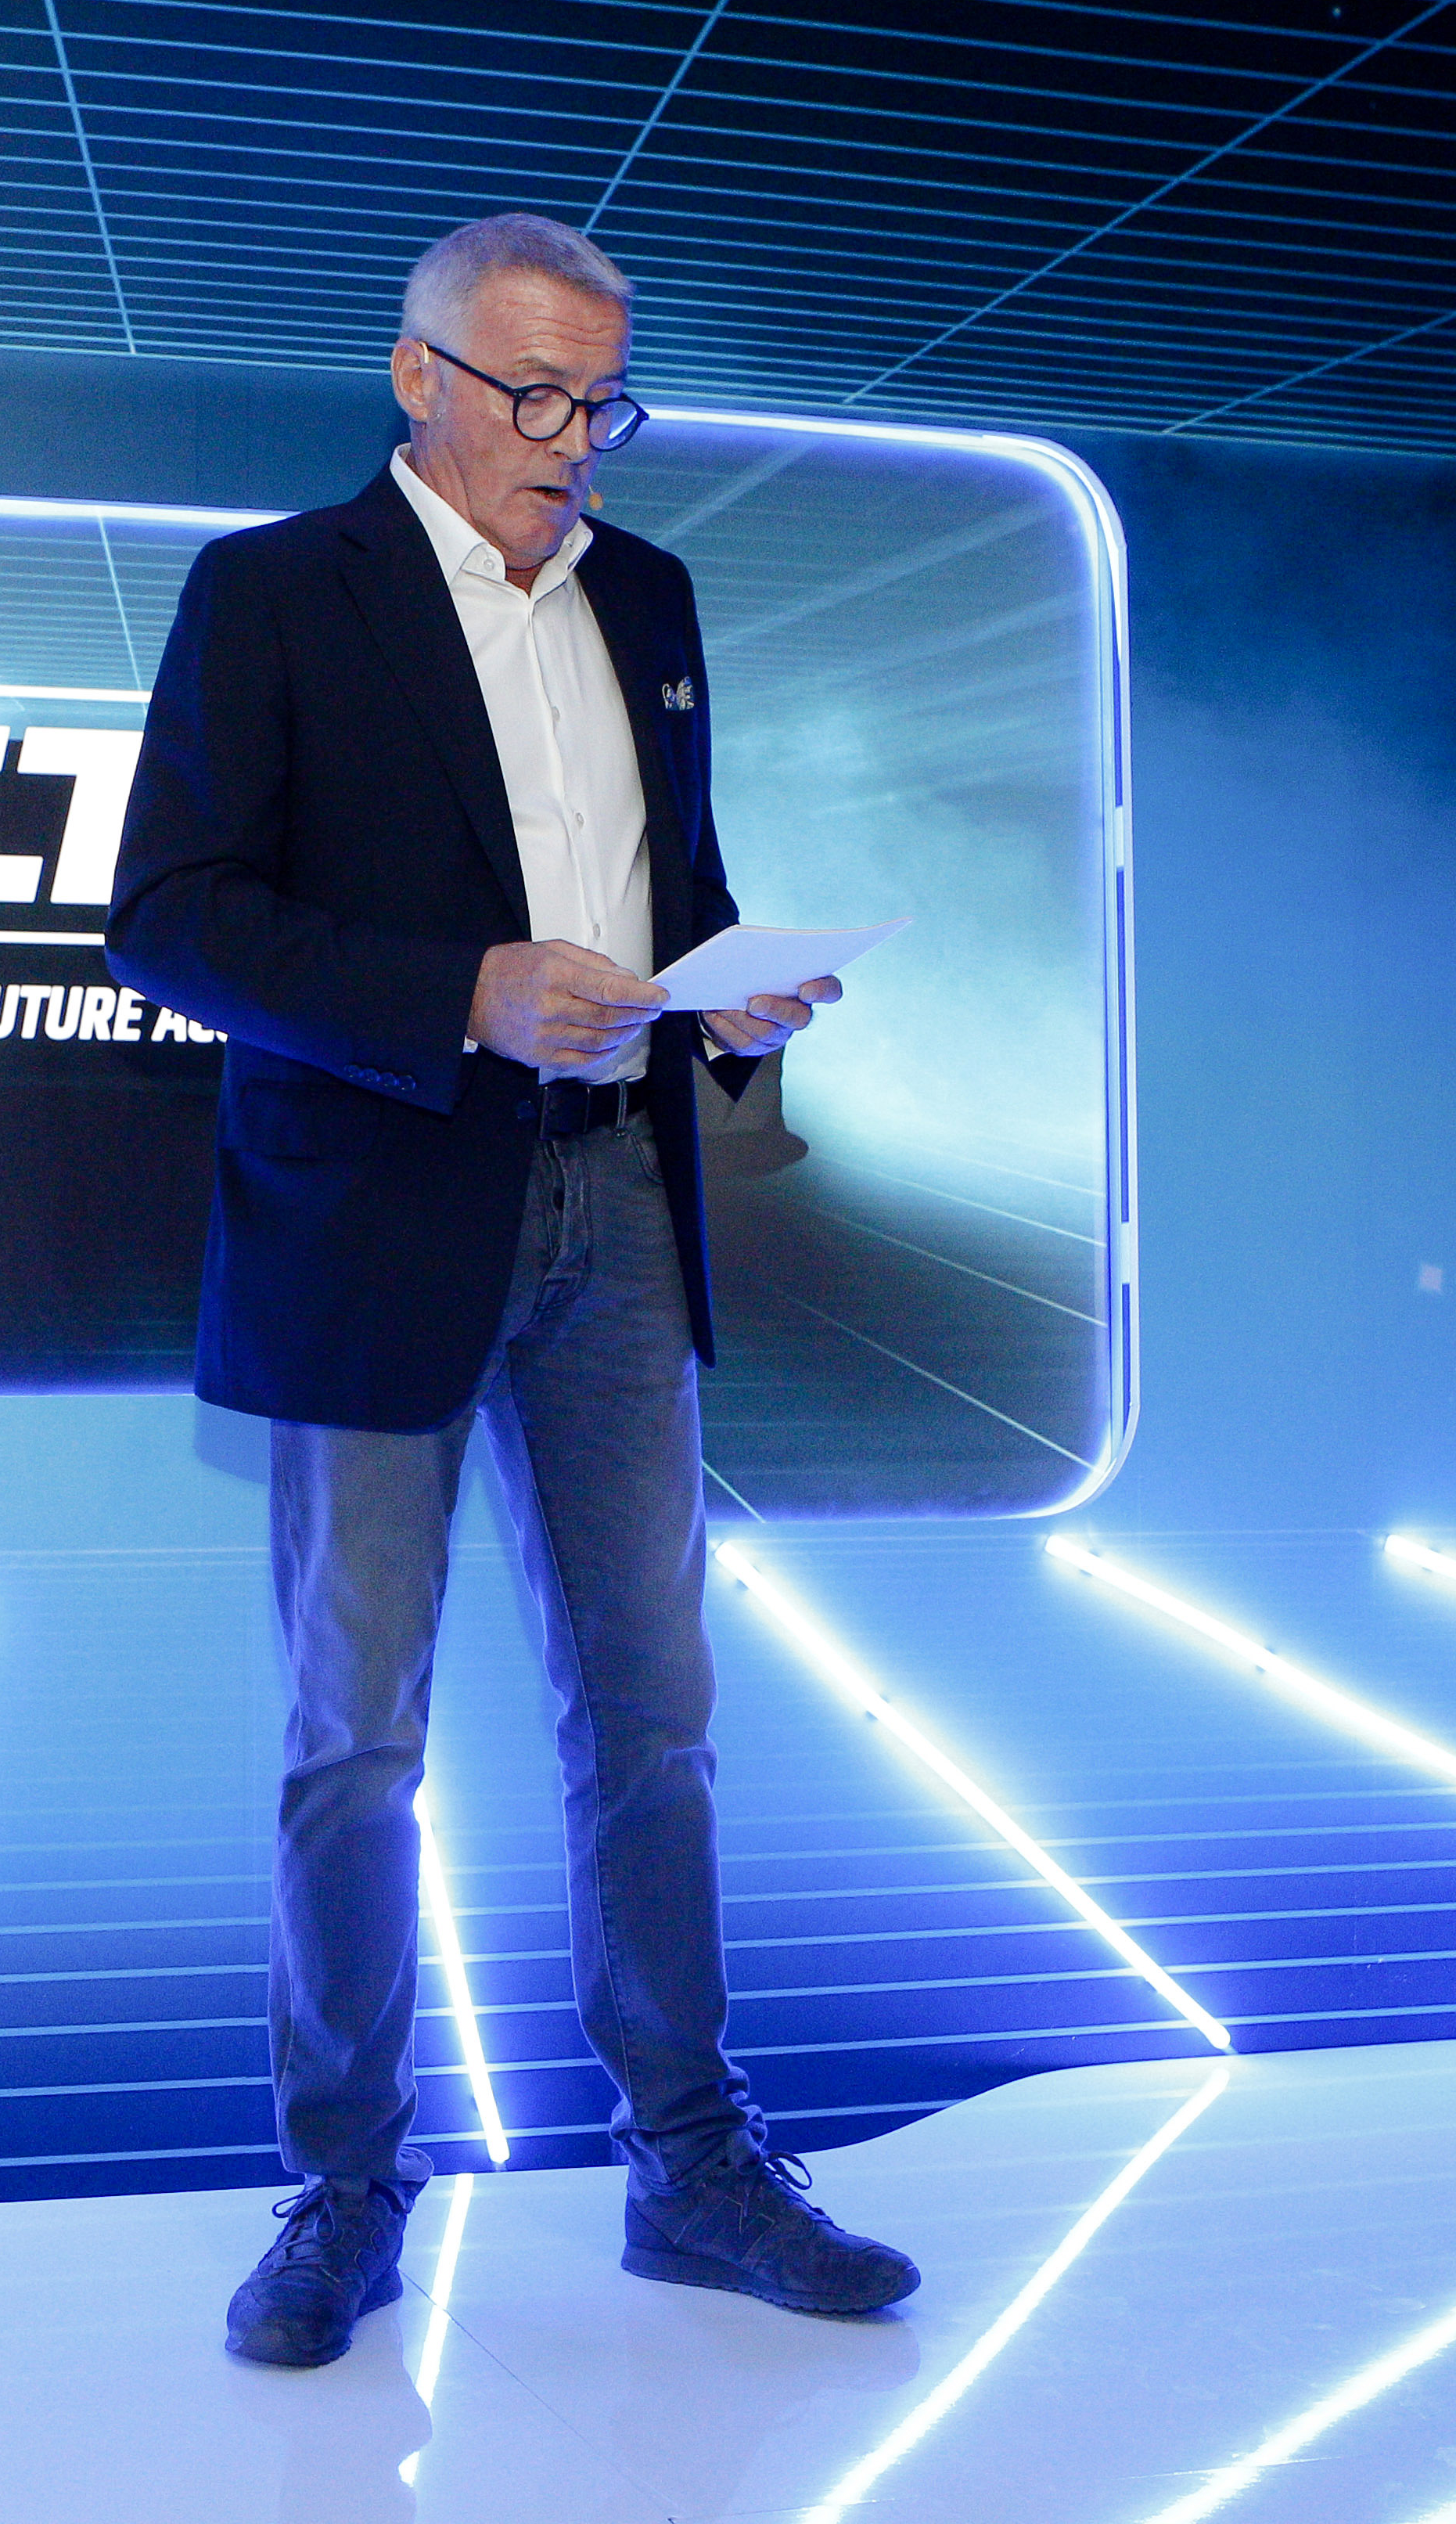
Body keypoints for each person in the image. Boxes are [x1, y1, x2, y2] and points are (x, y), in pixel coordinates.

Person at [102, 211, 922, 2369]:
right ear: (419, 376)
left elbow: (671, 884)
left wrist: (725, 993)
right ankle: (341, 2187)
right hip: (376, 1212)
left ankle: (696, 2169)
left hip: (623, 1204)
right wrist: (458, 994)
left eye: (603, 401)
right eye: (532, 393)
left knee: (656, 1715)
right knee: (356, 1736)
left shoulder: (649, 598)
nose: (570, 439)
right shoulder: (273, 592)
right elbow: (167, 918)